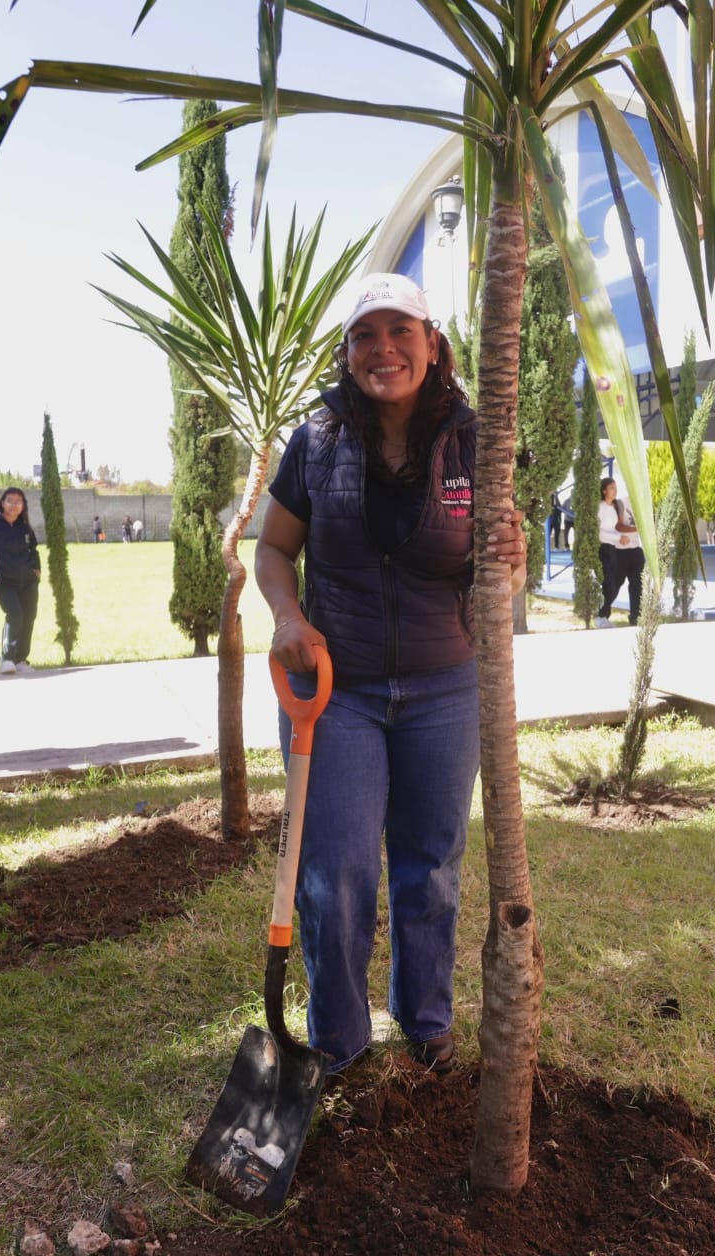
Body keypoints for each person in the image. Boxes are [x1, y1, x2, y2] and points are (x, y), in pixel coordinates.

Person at [253, 271, 526, 1075]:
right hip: (337, 694)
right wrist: (287, 616)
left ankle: (427, 1023)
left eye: (400, 331)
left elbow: (500, 568)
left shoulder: (476, 440)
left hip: (447, 690)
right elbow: (273, 550)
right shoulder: (318, 440)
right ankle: (338, 1043)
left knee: (431, 868)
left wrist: (510, 565)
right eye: (366, 335)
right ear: (347, 353)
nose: (385, 350)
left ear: (432, 344)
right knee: (334, 877)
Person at [0, 487, 41, 674]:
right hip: (2, 581)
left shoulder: (24, 526)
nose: (14, 505)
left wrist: (36, 573)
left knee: (29, 616)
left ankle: (21, 659)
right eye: (10, 500)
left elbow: (34, 550)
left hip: (28, 581)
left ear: (23, 506)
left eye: (18, 501)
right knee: (15, 614)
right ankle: (7, 658)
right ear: (2, 502)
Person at [596, 477, 644, 627]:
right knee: (612, 584)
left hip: (628, 549)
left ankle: (635, 616)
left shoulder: (615, 507)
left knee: (636, 585)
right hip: (615, 549)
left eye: (615, 487)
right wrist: (623, 535)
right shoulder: (617, 504)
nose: (615, 490)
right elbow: (614, 527)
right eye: (611, 488)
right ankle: (602, 614)